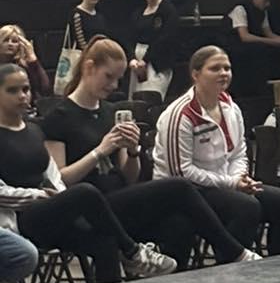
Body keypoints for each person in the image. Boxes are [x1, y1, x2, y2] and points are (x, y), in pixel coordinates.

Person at [41, 39, 258, 267]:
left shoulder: (110, 111)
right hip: (89, 205)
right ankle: (233, 251)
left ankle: (182, 281)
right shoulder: (59, 117)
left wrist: (132, 151)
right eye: (108, 77)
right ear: (89, 68)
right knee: (179, 186)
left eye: (118, 79)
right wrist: (100, 151)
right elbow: (60, 179)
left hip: (119, 196)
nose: (114, 85)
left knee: (179, 224)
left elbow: (129, 176)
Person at [0, 60, 176, 283]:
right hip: (18, 219)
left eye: (25, 89)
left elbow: (51, 173)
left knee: (104, 239)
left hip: (49, 209)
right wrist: (41, 196)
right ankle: (132, 252)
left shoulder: (34, 129)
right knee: (85, 191)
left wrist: (59, 196)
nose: (22, 96)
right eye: (12, 90)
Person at [154, 47, 280, 256]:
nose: (223, 73)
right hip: (186, 192)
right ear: (195, 74)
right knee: (246, 207)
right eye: (215, 69)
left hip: (224, 184)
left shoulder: (231, 107)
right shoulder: (180, 114)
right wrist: (232, 184)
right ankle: (231, 268)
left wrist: (239, 178)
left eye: (227, 68)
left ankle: (278, 267)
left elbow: (238, 152)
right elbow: (181, 172)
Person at [128, 0, 181, 97]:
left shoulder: (168, 10)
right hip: (138, 60)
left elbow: (166, 37)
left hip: (157, 60)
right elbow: (130, 37)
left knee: (152, 95)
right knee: (136, 96)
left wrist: (146, 59)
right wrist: (132, 58)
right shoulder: (138, 12)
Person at [55, 0, 106, 93]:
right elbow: (80, 40)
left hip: (99, 59)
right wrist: (93, 55)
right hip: (82, 59)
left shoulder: (100, 16)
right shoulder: (77, 14)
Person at [0, 24, 51, 108]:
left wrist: (33, 60)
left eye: (14, 41)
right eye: (6, 40)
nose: (10, 44)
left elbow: (44, 88)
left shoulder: (24, 66)